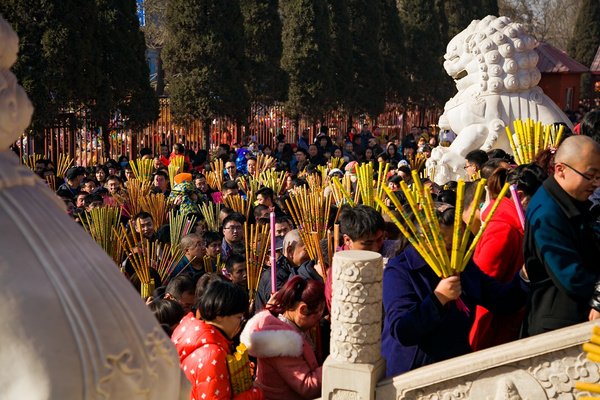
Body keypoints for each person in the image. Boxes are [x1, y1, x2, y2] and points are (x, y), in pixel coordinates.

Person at [381, 205, 529, 377]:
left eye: (459, 246)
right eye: (448, 248)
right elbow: (403, 331)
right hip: (414, 374)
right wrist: (438, 299)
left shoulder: (463, 265)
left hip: (455, 369)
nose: (454, 254)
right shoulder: (400, 271)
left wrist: (525, 276)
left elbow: (502, 301)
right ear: (423, 241)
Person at [521, 135, 600, 337]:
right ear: (560, 170)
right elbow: (572, 277)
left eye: (599, 177)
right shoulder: (547, 212)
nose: (595, 184)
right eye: (590, 176)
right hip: (559, 324)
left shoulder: (568, 199)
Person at [469, 165, 545, 351]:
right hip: (496, 329)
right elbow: (483, 285)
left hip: (513, 323)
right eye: (536, 200)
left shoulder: (513, 222)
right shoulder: (503, 227)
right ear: (519, 195)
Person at [172, 280, 263, 400]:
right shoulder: (212, 353)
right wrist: (254, 393)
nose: (240, 323)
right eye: (239, 317)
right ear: (220, 315)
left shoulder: (190, 333)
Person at [241, 276, 325, 400]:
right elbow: (308, 386)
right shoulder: (282, 342)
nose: (318, 321)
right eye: (318, 315)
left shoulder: (280, 324)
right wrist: (334, 365)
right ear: (303, 309)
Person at [255, 230, 310, 311]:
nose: (312, 253)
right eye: (307, 249)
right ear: (290, 251)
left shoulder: (298, 270)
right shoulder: (274, 276)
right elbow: (284, 310)